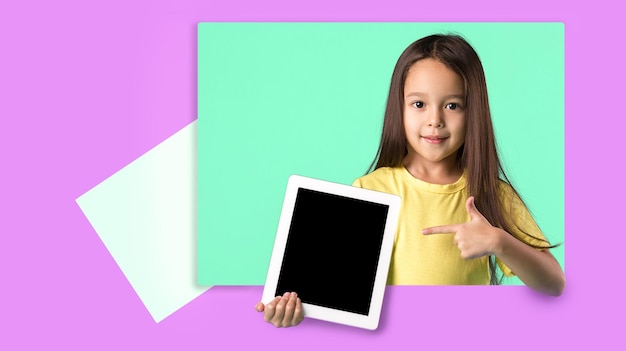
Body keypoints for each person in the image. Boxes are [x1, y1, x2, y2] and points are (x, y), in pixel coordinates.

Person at [254, 33, 566, 327]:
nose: (435, 120)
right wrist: (293, 309)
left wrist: (500, 242)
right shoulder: (369, 190)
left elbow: (554, 282)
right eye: (419, 104)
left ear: (474, 112)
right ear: (399, 108)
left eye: (452, 105)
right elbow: (337, 292)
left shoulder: (491, 194)